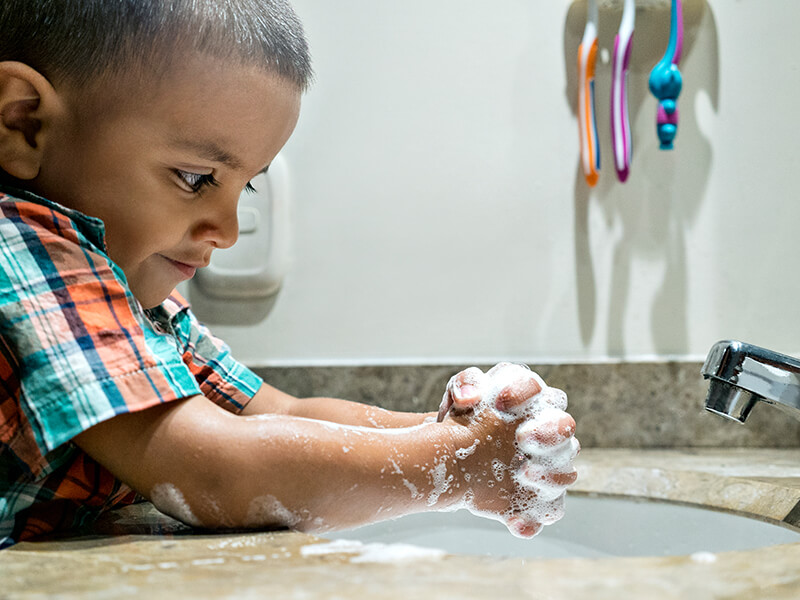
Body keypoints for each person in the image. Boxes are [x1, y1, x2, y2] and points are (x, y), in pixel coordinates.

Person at [0, 0, 578, 549]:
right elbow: (214, 470)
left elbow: (283, 415)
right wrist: (459, 465)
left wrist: (455, 429)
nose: (226, 229)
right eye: (196, 177)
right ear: (23, 123)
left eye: (245, 185)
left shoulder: (140, 302)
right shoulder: (23, 249)